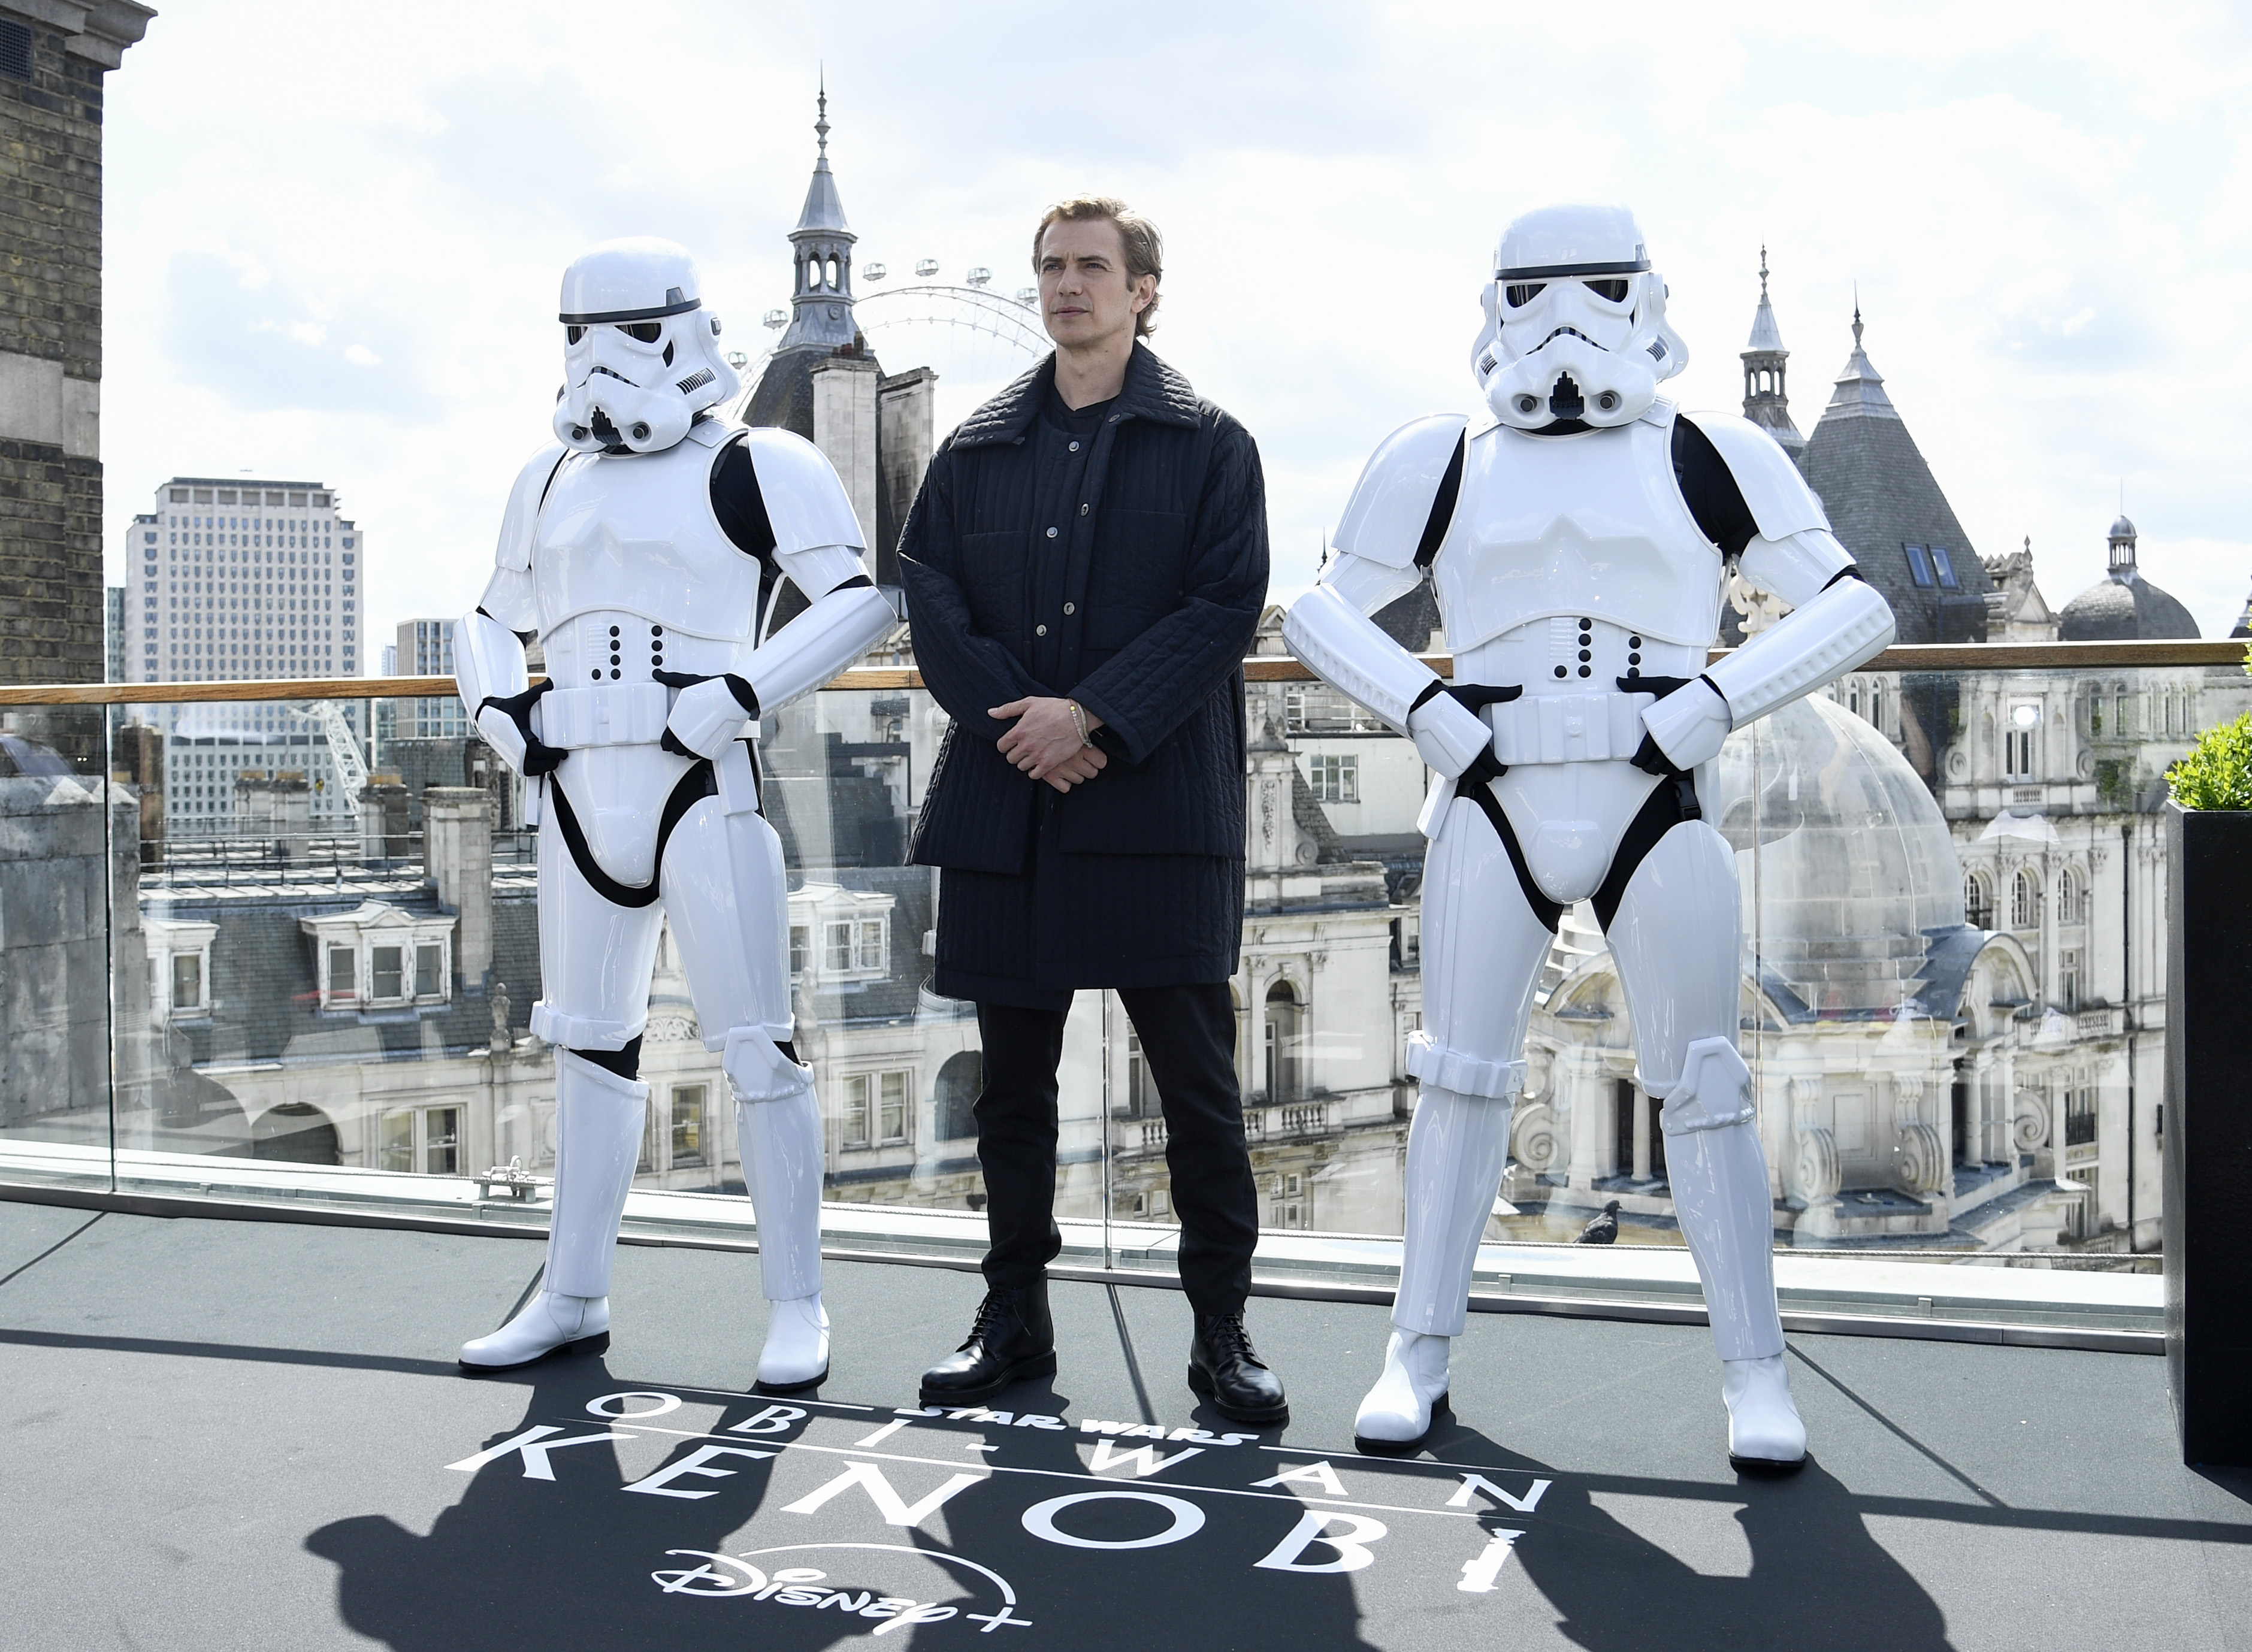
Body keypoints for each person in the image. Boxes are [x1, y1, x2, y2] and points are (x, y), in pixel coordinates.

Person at [1282, 202, 1896, 1463]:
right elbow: (1316, 612)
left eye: (1594, 285)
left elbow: (1853, 606)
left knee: (1703, 1084)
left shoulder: (1707, 451)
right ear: (1494, 303)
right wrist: (1424, 709)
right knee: (1453, 1079)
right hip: (1493, 790)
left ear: (1642, 296)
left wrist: (1715, 699)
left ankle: (1753, 1374)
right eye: (1535, 287)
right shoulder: (1437, 455)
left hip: (1648, 792)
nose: (1563, 314)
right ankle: (1416, 1349)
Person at [451, 237, 896, 1388]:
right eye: (580, 338)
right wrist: (504, 714)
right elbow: (490, 617)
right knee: (587, 1049)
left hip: (703, 781)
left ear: (682, 329)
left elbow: (856, 600)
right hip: (577, 785)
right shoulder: (543, 480)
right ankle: (569, 1291)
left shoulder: (761, 461)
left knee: (757, 1045)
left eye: (629, 331)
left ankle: (796, 1302)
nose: (601, 362)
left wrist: (740, 691)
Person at [897, 196, 1282, 1423]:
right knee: (1012, 1092)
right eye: (1049, 268)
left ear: (1143, 290)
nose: (1066, 286)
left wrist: (1094, 719)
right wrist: (1031, 720)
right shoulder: (973, 448)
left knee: (1197, 1095)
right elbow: (927, 594)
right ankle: (1011, 1321)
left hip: (1157, 813)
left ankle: (1221, 1337)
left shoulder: (1211, 443)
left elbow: (1224, 604)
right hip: (1013, 813)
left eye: (1090, 268)